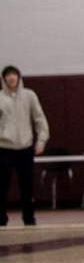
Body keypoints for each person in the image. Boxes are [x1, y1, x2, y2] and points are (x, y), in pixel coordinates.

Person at [0, 65, 50, 227]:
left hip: (25, 147)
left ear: (19, 77)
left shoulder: (29, 96)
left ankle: (29, 218)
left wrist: (41, 140)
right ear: (4, 79)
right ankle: (1, 219)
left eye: (14, 74)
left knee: (27, 185)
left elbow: (39, 119)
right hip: (4, 148)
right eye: (8, 75)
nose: (11, 78)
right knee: (2, 185)